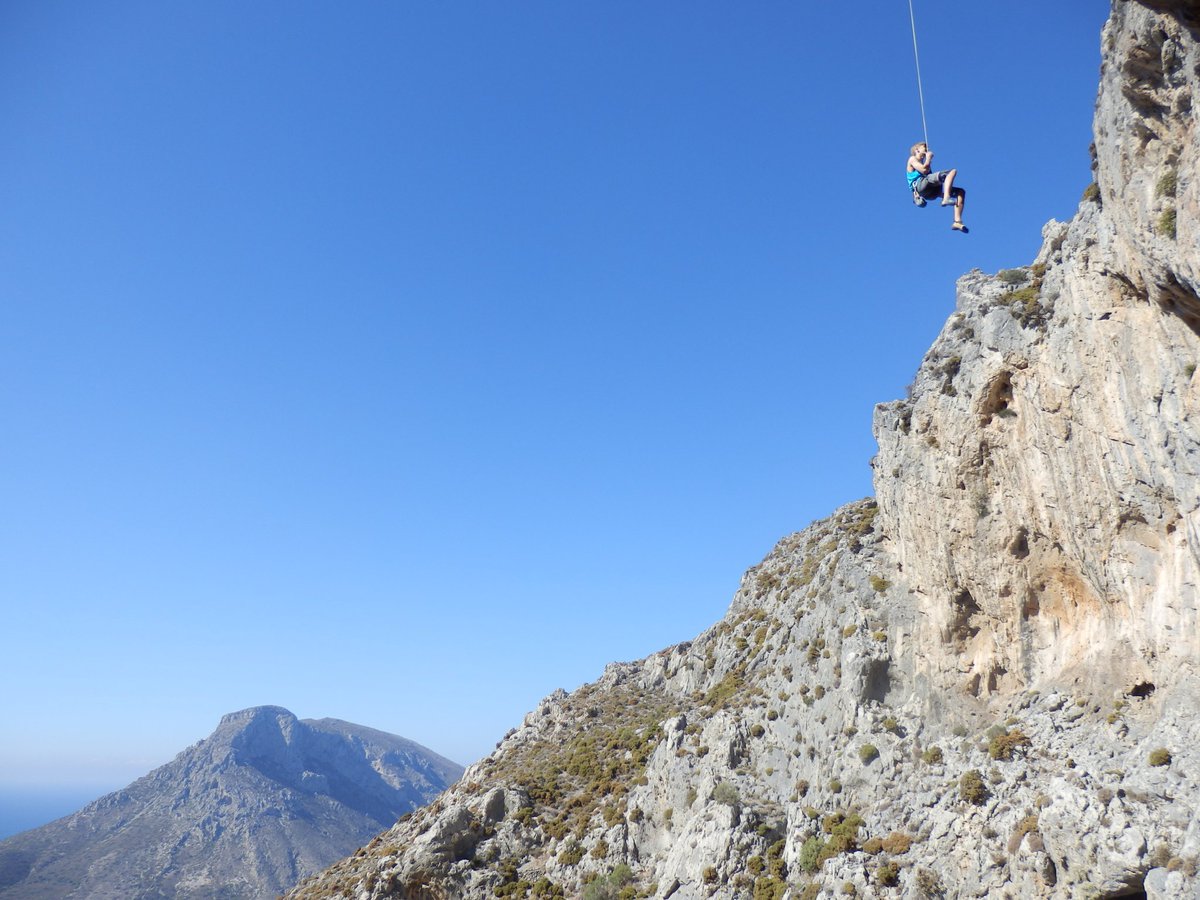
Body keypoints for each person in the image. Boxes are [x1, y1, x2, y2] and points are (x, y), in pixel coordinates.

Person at [907, 142, 967, 232]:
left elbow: (928, 173)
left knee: (960, 192)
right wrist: (928, 158)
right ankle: (946, 198)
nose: (927, 149)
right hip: (921, 186)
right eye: (925, 147)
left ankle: (957, 221)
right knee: (951, 172)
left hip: (931, 193)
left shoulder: (924, 163)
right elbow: (924, 170)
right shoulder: (912, 159)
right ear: (917, 150)